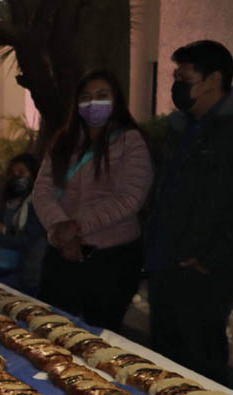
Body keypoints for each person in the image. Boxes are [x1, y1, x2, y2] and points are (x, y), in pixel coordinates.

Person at [145, 40, 233, 383]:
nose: (177, 85)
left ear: (213, 80)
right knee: (161, 361)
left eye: (184, 78)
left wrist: (212, 256)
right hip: (165, 262)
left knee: (199, 364)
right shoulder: (180, 128)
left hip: (205, 271)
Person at [32, 69, 152, 332]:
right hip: (62, 253)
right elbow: (42, 191)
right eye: (85, 97)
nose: (93, 103)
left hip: (112, 261)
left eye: (101, 95)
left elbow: (130, 198)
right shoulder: (63, 141)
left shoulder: (131, 141)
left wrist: (77, 226)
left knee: (98, 338)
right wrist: (61, 230)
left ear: (116, 100)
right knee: (50, 332)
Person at [0, 153, 47, 297]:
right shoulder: (10, 200)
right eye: (12, 173)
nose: (16, 177)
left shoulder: (35, 204)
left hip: (25, 272)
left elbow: (27, 241)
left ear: (33, 175)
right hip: (1, 263)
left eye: (21, 173)